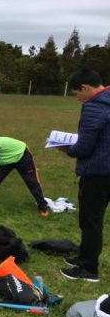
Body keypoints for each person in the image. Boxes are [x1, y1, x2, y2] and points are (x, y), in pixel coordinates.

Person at [58, 68, 110, 282]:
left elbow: (84, 147)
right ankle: (84, 256)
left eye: (76, 93)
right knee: (93, 219)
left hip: (98, 173)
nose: (77, 98)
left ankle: (89, 269)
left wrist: (65, 148)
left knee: (91, 220)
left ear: (85, 88)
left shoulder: (94, 107)